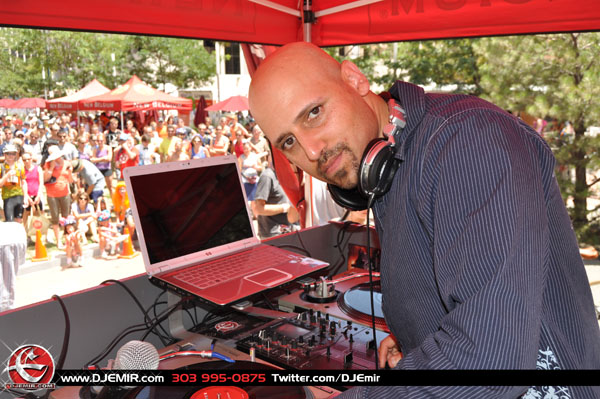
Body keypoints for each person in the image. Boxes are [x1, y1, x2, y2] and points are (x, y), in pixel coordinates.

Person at [248, 42, 600, 398]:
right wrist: (417, 340)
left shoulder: (470, 142)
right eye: (289, 141)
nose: (311, 150)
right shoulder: (389, 162)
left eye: (314, 113)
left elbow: (492, 363)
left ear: (354, 79)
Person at [251, 166, 298, 238]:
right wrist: (285, 207)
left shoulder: (291, 173)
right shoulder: (267, 176)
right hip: (274, 235)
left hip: (291, 231)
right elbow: (258, 208)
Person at [43, 145, 74, 248]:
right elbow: (45, 179)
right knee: (55, 218)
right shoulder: (47, 164)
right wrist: (51, 168)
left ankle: (67, 238)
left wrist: (70, 173)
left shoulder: (67, 164)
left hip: (65, 193)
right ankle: (58, 241)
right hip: (52, 194)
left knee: (66, 216)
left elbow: (70, 180)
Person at [0, 144, 27, 223]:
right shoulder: (1, 167)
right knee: (10, 221)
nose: (11, 156)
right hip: (8, 197)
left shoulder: (19, 166)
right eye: (8, 153)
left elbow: (23, 182)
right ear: (4, 154)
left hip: (19, 195)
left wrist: (25, 197)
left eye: (13, 153)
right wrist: (7, 175)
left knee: (19, 220)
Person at [22, 151, 44, 233]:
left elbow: (41, 182)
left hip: (37, 194)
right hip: (27, 195)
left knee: (39, 212)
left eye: (28, 159)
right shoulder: (22, 170)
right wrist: (27, 197)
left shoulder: (38, 168)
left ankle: (39, 231)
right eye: (24, 160)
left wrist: (38, 195)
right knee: (26, 213)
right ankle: (25, 232)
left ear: (31, 159)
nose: (27, 161)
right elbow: (22, 183)